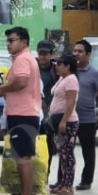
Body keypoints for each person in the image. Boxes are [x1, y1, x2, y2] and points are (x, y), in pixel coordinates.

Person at [0, 26, 41, 195]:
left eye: (12, 40)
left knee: (23, 158)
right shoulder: (25, 58)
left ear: (24, 42)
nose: (8, 44)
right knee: (21, 156)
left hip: (23, 114)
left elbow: (21, 82)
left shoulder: (22, 59)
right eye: (8, 41)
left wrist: (1, 90)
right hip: (23, 113)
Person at [71, 39, 98, 191]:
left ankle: (86, 181)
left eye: (80, 51)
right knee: (66, 151)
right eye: (75, 51)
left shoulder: (95, 73)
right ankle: (64, 180)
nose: (76, 54)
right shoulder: (68, 70)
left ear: (88, 55)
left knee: (88, 152)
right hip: (68, 118)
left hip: (87, 119)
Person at [49, 55, 80, 195]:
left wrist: (64, 121)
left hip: (67, 121)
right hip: (58, 120)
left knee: (67, 154)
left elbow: (71, 102)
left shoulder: (71, 80)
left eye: (60, 64)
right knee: (62, 153)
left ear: (68, 66)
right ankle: (62, 183)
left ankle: (68, 185)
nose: (57, 67)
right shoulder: (62, 78)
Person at [36, 40, 58, 177]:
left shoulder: (56, 71)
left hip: (50, 113)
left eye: (45, 54)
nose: (42, 57)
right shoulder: (32, 68)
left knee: (48, 145)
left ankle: (44, 175)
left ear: (51, 54)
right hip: (33, 112)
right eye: (40, 54)